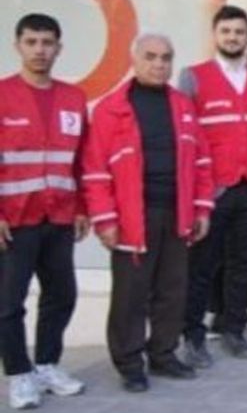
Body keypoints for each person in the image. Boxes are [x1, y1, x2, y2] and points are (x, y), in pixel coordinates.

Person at [82, 32, 213, 392]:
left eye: (166, 58)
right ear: (135, 59)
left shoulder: (182, 105)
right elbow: (95, 170)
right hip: (131, 218)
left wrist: (202, 209)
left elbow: (201, 162)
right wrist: (105, 219)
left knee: (173, 290)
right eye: (151, 57)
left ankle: (163, 354)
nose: (159, 64)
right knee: (130, 296)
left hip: (177, 213)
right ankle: (129, 363)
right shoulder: (111, 108)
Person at [179, 4, 247, 366]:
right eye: (226, 31)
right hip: (212, 190)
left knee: (243, 264)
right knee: (201, 267)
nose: (233, 37)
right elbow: (185, 139)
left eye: (239, 32)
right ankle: (193, 336)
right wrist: (192, 193)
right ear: (215, 35)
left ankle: (234, 330)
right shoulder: (194, 77)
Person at [0, 13, 89, 409]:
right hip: (15, 219)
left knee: (62, 295)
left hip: (60, 217)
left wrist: (83, 207)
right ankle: (19, 374)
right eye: (32, 42)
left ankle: (47, 364)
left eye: (47, 42)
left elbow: (81, 159)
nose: (40, 50)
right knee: (9, 303)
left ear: (59, 48)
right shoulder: (3, 94)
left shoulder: (74, 98)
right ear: (17, 46)